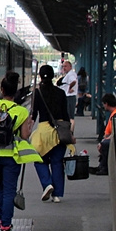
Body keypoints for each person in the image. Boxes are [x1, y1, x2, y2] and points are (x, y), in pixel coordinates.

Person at [0, 71, 41, 231]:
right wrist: (29, 123)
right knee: (9, 190)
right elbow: (25, 136)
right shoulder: (21, 111)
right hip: (12, 157)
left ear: (1, 89)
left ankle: (3, 217)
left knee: (2, 186)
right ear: (16, 91)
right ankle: (5, 225)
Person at [29, 65, 69, 203]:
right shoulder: (61, 93)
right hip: (59, 133)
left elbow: (33, 115)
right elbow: (66, 115)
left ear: (40, 76)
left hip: (43, 132)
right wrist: (69, 134)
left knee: (39, 160)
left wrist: (27, 131)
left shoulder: (37, 93)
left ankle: (47, 184)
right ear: (53, 76)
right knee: (57, 163)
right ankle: (57, 195)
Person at [91, 93, 116, 175]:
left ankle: (105, 168)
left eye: (103, 104)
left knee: (105, 144)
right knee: (104, 143)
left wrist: (103, 141)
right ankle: (102, 166)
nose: (103, 106)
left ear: (106, 104)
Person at [58, 60, 78, 126]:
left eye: (66, 66)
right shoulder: (70, 74)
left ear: (70, 66)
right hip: (69, 97)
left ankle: (70, 132)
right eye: (63, 66)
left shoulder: (70, 74)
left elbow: (74, 81)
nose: (64, 68)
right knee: (69, 116)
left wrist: (69, 88)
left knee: (69, 117)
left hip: (69, 97)